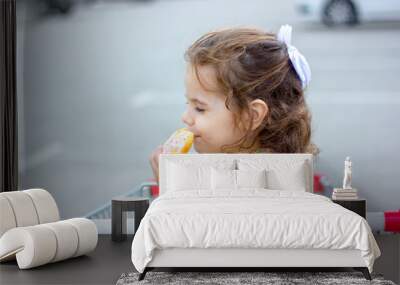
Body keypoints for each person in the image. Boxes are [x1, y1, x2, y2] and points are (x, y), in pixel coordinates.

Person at [150, 25, 318, 183]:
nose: (185, 117)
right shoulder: (233, 163)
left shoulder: (252, 180)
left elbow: (203, 214)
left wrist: (172, 186)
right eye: (189, 103)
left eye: (200, 108)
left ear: (251, 115)